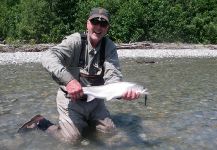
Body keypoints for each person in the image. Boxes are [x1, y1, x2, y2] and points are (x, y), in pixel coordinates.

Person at [18, 7, 140, 143]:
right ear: (87, 24)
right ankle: (41, 122)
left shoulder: (109, 47)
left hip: (95, 102)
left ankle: (86, 125)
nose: (98, 27)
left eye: (103, 24)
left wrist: (121, 93)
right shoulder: (75, 41)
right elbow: (48, 57)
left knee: (109, 133)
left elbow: (113, 76)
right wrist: (69, 81)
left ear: (107, 28)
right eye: (95, 22)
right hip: (71, 101)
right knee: (72, 139)